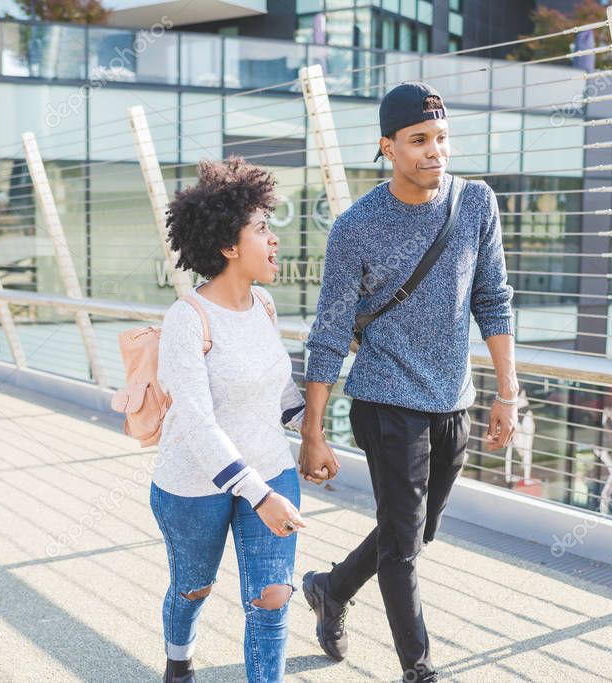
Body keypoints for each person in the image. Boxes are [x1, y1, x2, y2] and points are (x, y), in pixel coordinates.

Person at [298, 82, 520, 682]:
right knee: (402, 549)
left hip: (454, 401)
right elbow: (329, 333)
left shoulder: (476, 203)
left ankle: (330, 587)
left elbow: (493, 301)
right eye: (418, 140)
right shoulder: (356, 227)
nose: (434, 152)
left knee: (416, 530)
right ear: (387, 147)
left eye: (441, 138)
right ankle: (418, 671)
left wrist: (506, 391)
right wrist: (313, 431)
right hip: (384, 400)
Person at [152, 157, 307, 683]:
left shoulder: (264, 304)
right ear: (227, 247)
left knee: (271, 597)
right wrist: (258, 495)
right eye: (262, 229)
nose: (274, 240)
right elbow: (196, 424)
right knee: (193, 587)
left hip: (271, 467)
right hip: (195, 484)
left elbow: (278, 390)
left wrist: (312, 432)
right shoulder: (186, 319)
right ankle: (179, 659)